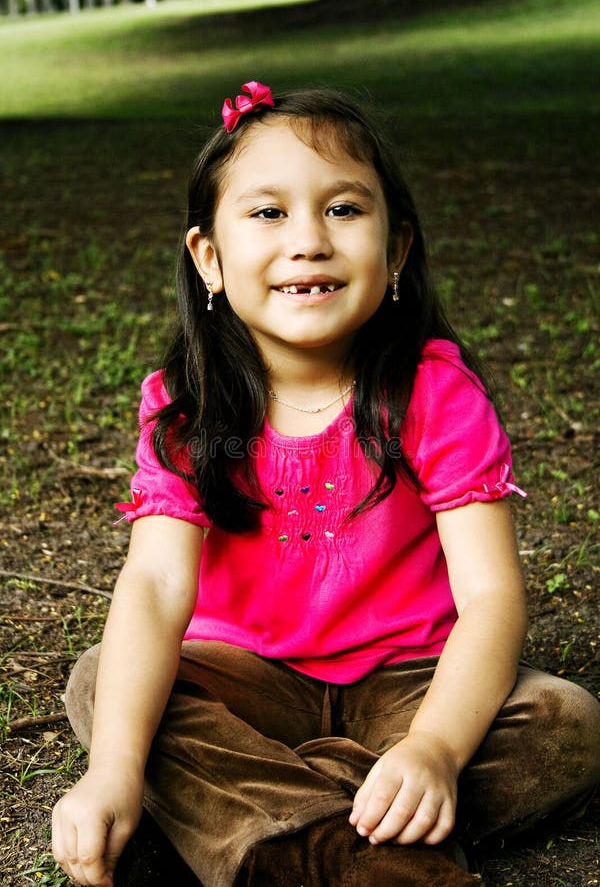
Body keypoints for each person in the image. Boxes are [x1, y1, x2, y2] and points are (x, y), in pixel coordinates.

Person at [52, 81, 600, 887]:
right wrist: (111, 772)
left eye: (343, 209)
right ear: (208, 257)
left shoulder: (433, 393)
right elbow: (158, 584)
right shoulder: (186, 405)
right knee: (106, 685)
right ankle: (364, 852)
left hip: (412, 682)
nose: (308, 239)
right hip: (244, 682)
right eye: (268, 213)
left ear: (398, 248)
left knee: (566, 724)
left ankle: (271, 818)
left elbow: (489, 598)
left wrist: (437, 748)